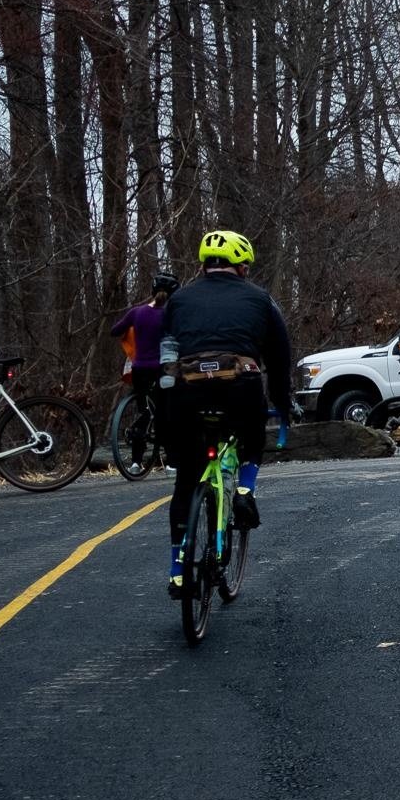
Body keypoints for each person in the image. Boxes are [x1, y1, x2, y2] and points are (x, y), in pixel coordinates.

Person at [161, 230, 297, 596]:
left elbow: (165, 353)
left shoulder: (178, 300)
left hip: (187, 390)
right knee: (252, 436)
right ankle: (243, 490)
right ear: (240, 265)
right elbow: (280, 359)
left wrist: (164, 403)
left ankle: (177, 572)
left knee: (185, 481)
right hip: (240, 388)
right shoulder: (260, 299)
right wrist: (283, 404)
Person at [110, 272, 178, 470]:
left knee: (143, 412)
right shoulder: (171, 315)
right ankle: (172, 463)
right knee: (166, 412)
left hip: (139, 369)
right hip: (163, 369)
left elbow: (114, 331)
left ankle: (135, 463)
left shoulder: (136, 312)